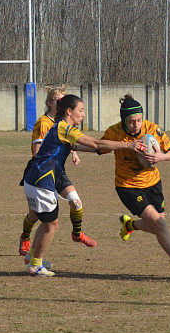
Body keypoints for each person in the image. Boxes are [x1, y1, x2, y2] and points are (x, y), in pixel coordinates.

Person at [23, 94, 142, 276]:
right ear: (69, 111)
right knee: (51, 225)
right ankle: (35, 264)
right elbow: (95, 142)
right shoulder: (64, 128)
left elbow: (89, 147)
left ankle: (32, 257)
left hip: (38, 180)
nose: (84, 114)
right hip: (41, 182)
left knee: (48, 222)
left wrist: (105, 149)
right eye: (81, 110)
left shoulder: (63, 129)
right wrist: (127, 145)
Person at [98, 94, 170, 278]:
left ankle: (130, 225)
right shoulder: (115, 132)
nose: (136, 125)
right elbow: (99, 146)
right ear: (123, 120)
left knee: (156, 227)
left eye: (139, 120)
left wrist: (161, 157)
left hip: (153, 184)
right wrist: (126, 146)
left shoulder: (152, 130)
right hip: (128, 186)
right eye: (131, 122)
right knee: (160, 225)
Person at [19, 86, 97, 270]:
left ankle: (76, 234)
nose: (59, 102)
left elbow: (67, 143)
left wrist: (73, 152)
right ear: (50, 103)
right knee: (38, 216)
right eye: (57, 99)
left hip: (57, 170)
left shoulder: (65, 125)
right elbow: (40, 151)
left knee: (75, 202)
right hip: (41, 171)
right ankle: (26, 241)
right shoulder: (44, 123)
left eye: (62, 99)